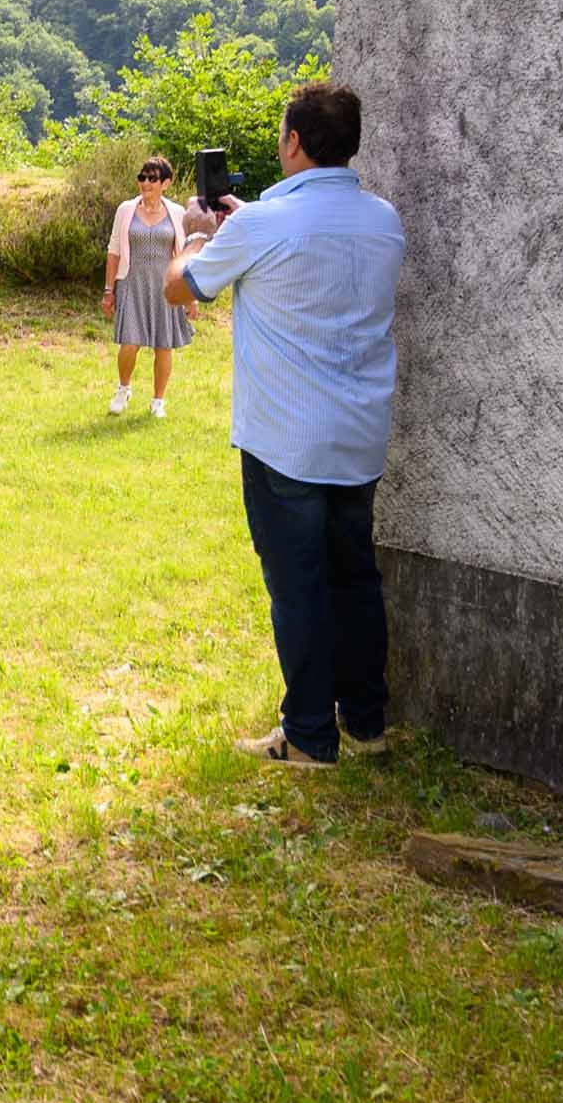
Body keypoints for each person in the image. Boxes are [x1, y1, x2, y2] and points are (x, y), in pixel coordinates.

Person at [165, 82, 406, 768]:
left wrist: (193, 233)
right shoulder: (383, 220)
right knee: (356, 579)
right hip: (360, 434)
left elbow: (179, 287)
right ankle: (366, 724)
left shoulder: (262, 226)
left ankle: (306, 737)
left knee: (298, 586)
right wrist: (242, 226)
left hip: (285, 442)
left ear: (294, 141)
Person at [102, 156, 196, 417]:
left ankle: (158, 401)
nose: (145, 183)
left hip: (166, 287)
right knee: (130, 343)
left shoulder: (177, 213)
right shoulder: (126, 210)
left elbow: (185, 255)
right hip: (132, 283)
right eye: (142, 177)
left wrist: (190, 295)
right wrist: (109, 291)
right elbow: (113, 252)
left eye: (152, 178)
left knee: (163, 345)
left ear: (166, 183)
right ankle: (123, 389)